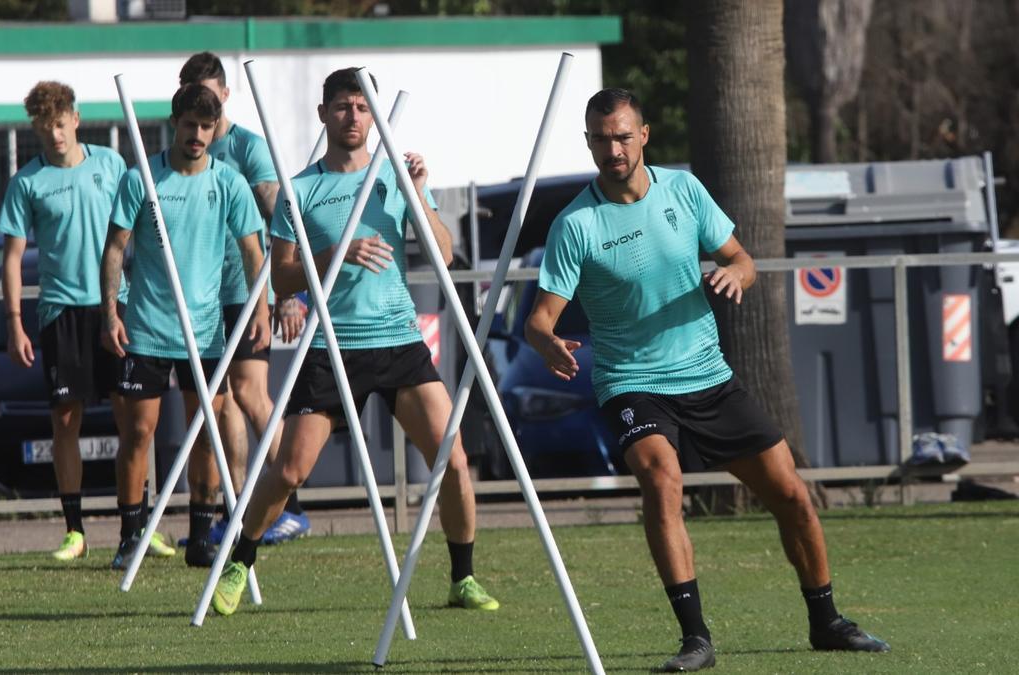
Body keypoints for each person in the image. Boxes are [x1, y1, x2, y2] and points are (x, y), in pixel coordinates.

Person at [524, 88, 890, 672]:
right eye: (601, 138)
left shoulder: (685, 191)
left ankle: (827, 622)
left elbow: (741, 256)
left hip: (707, 374)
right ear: (589, 142)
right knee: (661, 478)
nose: (613, 148)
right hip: (631, 380)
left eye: (623, 136)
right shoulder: (576, 224)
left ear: (643, 135)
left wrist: (736, 273)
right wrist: (548, 344)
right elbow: (539, 320)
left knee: (791, 495)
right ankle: (696, 639)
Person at [209, 67, 499, 617]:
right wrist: (340, 250)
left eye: (363, 108)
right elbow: (283, 277)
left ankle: (463, 577)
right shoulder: (302, 189)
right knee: (291, 469)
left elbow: (443, 250)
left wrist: (416, 193)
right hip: (331, 347)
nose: (353, 117)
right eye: (342, 107)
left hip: (397, 340)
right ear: (324, 115)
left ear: (374, 116)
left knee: (454, 460)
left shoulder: (395, 177)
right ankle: (241, 559)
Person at [0, 81, 174, 562]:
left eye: (60, 123)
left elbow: (143, 232)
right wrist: (15, 322)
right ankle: (74, 530)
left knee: (134, 421)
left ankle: (135, 527)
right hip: (61, 311)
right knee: (66, 421)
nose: (54, 134)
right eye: (44, 127)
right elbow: (12, 259)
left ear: (75, 119)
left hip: (116, 308)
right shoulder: (26, 183)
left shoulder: (112, 165)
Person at [101, 83, 270, 570]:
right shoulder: (142, 179)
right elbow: (116, 248)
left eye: (206, 125)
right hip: (148, 328)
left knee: (209, 430)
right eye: (190, 124)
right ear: (175, 122)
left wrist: (260, 308)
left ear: (216, 128)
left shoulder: (228, 183)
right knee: (138, 431)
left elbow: (252, 251)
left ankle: (200, 535)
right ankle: (131, 534)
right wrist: (110, 311)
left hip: (205, 331)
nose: (197, 134)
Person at [176, 52, 310, 546]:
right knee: (221, 403)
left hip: (247, 291)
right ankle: (239, 506)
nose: (203, 101)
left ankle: (287, 504)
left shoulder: (248, 148)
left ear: (226, 94)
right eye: (193, 91)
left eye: (210, 91)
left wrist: (284, 294)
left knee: (252, 396)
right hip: (202, 297)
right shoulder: (187, 145)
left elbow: (283, 217)